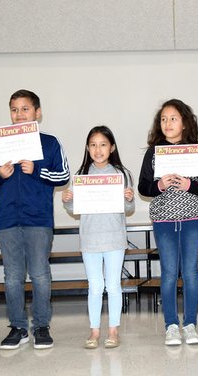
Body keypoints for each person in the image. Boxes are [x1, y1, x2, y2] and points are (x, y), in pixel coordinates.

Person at [0, 89, 70, 350]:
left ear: (37, 112)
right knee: (12, 277)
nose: (19, 114)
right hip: (8, 217)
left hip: (38, 218)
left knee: (40, 275)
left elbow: (63, 176)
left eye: (25, 109)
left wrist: (38, 170)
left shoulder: (50, 142)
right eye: (14, 109)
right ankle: (18, 327)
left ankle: (41, 326)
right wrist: (0, 173)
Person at [138, 99, 198, 346]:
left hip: (191, 217)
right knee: (169, 273)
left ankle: (190, 324)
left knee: (190, 272)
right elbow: (143, 187)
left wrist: (188, 184)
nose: (167, 123)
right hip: (163, 219)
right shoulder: (153, 152)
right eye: (163, 119)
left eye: (173, 118)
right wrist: (159, 185)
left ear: (184, 123)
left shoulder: (194, 150)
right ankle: (171, 325)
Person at [62, 126, 135, 348]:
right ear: (87, 148)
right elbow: (75, 208)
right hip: (90, 239)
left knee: (113, 286)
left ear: (111, 148)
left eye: (103, 144)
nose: (98, 149)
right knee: (95, 286)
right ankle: (94, 331)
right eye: (93, 145)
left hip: (114, 238)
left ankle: (113, 330)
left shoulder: (121, 174)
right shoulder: (81, 176)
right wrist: (67, 200)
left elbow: (128, 208)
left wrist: (129, 199)